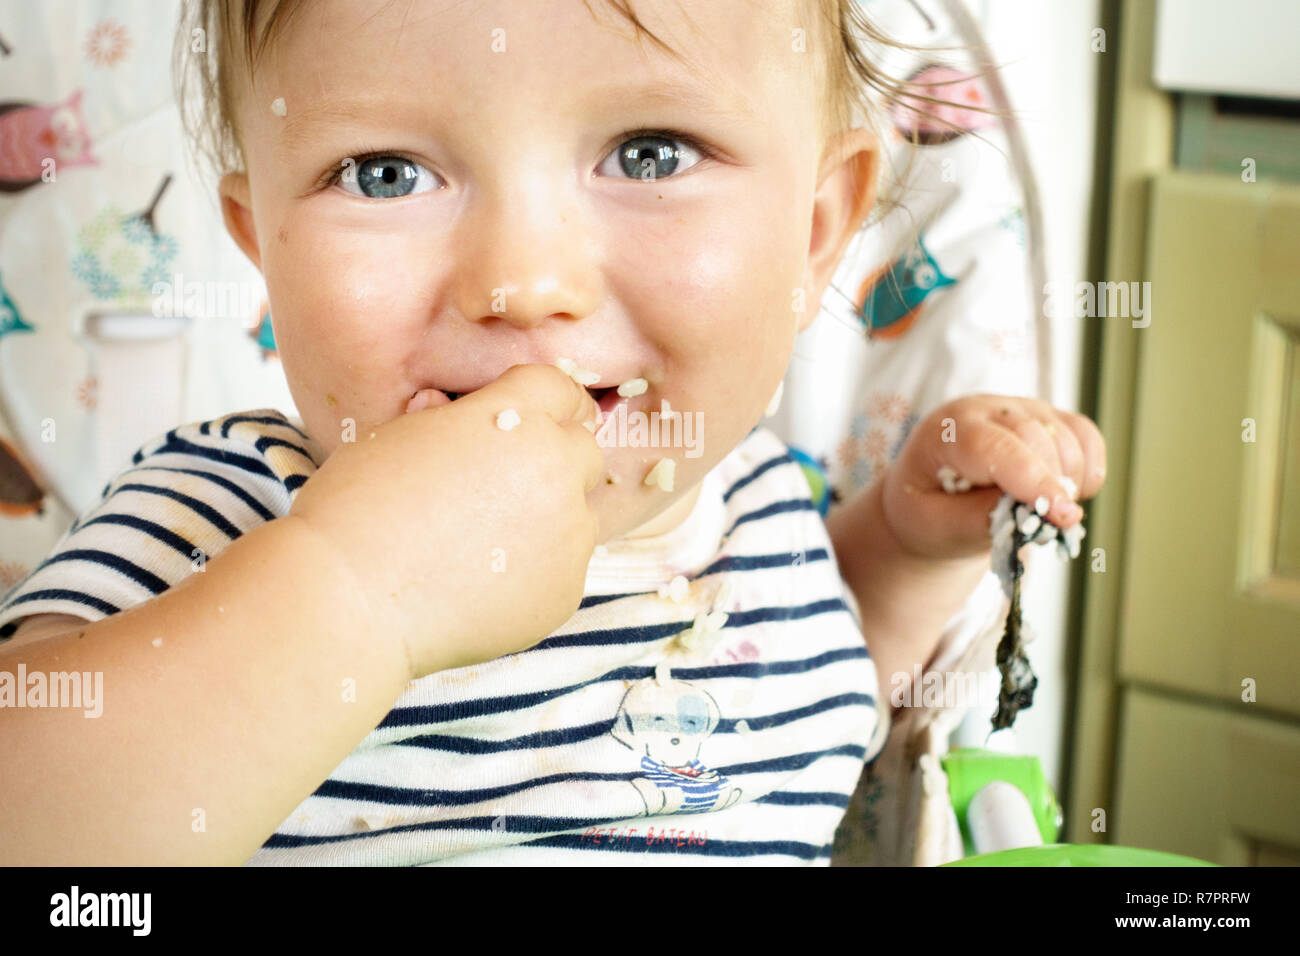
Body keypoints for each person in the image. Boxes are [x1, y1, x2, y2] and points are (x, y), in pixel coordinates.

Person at [0, 0, 1104, 865]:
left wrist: (902, 551)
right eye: (386, 175)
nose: (521, 283)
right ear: (262, 248)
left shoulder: (766, 510)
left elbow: (819, 717)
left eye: (651, 153)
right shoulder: (221, 512)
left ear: (815, 233)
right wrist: (354, 586)